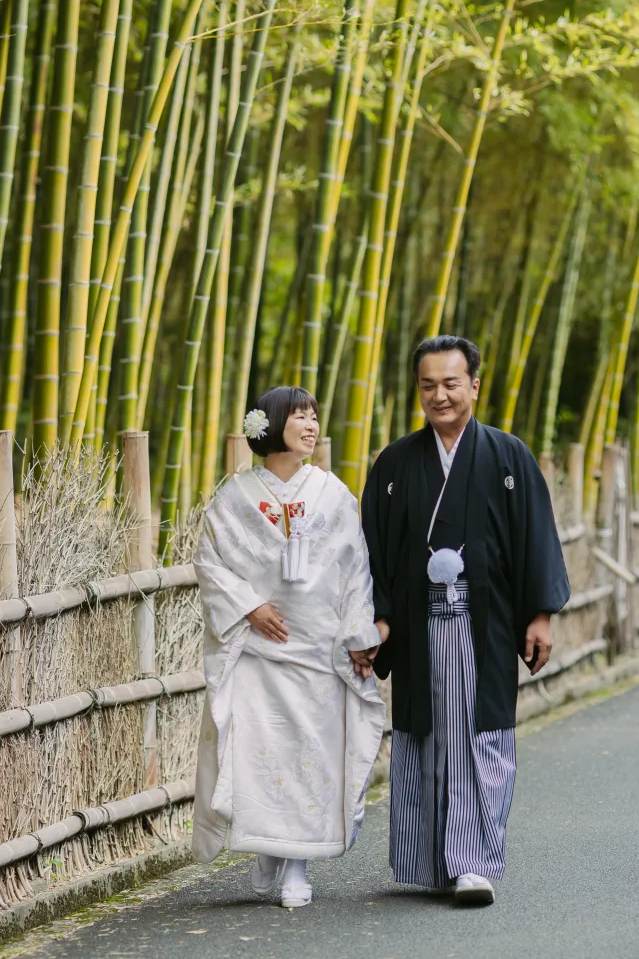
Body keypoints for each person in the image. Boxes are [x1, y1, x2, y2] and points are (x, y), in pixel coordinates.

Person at [359, 335, 570, 906]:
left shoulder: (508, 456)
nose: (440, 395)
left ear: (474, 385)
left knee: (482, 736)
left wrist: (540, 614)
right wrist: (378, 620)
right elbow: (372, 552)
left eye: (451, 383)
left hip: (487, 624)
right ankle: (430, 862)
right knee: (425, 738)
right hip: (417, 627)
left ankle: (473, 864)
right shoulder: (395, 463)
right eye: (428, 385)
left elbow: (535, 539)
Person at [192, 386, 385, 908]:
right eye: (299, 415)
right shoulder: (234, 497)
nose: (311, 424)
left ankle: (298, 863)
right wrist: (249, 606)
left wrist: (358, 635)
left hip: (318, 649)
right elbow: (210, 561)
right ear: (271, 424)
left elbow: (356, 570)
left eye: (314, 415)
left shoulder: (333, 494)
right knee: (262, 754)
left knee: (309, 757)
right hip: (258, 649)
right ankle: (267, 848)